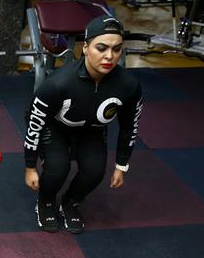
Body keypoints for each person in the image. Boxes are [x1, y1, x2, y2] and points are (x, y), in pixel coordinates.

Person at [23, 16, 143, 234]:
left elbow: (129, 126)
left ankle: (70, 202)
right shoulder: (58, 84)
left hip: (92, 131)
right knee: (58, 169)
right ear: (86, 48)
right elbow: (34, 121)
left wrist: (122, 164)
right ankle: (46, 202)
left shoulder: (129, 86)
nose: (109, 56)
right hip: (56, 129)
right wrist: (30, 166)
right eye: (101, 48)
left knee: (95, 172)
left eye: (117, 49)